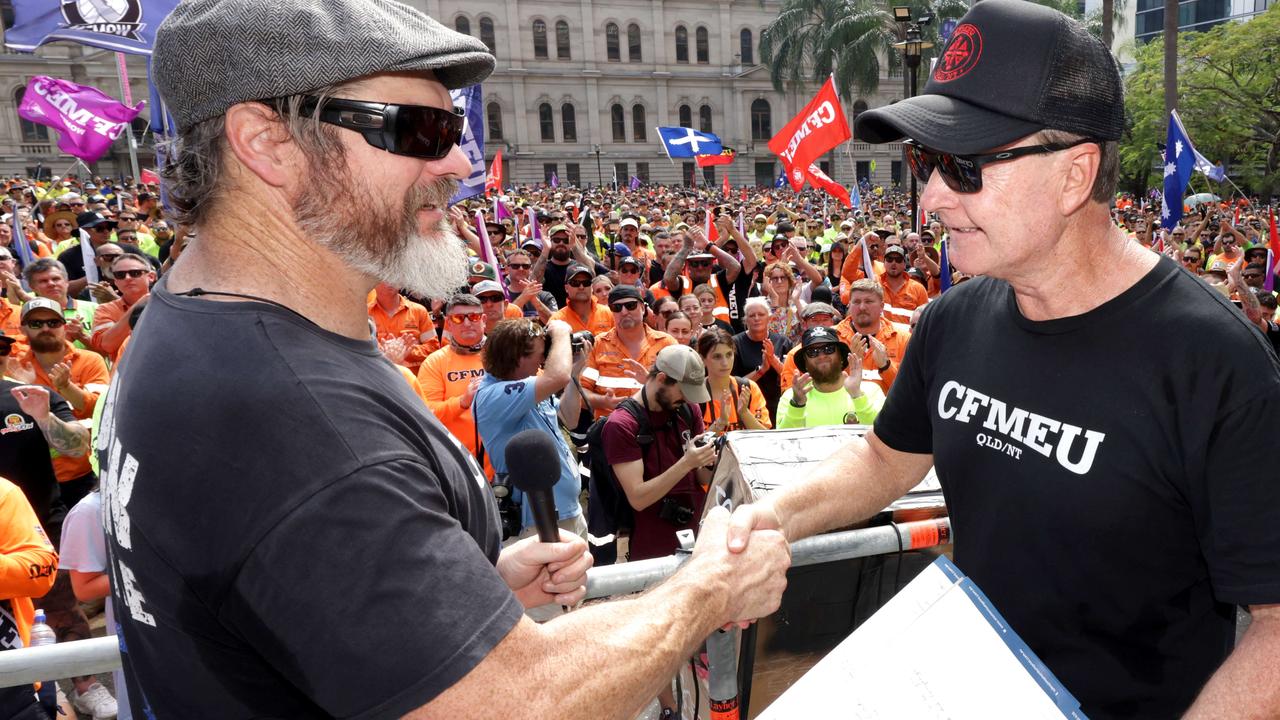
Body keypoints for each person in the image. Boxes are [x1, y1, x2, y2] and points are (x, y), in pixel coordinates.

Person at [104, 2, 789, 717]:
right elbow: (514, 707)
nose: (460, 162)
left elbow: (284, 579)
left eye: (455, 129)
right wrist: (708, 588)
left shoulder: (187, 316)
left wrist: (462, 594)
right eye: (421, 130)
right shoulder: (294, 421)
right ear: (268, 143)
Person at [726, 2, 1280, 717]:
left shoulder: (1216, 363)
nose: (928, 198)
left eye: (962, 167)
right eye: (925, 163)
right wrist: (769, 519)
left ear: (1076, 174)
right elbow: (885, 459)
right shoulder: (952, 320)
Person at [473, 319, 586, 538]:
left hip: (568, 511)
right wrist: (562, 331)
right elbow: (556, 376)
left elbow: (570, 419)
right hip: (538, 523)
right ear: (518, 358)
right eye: (541, 354)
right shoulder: (491, 395)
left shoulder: (529, 384)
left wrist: (574, 375)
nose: (544, 360)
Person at [12, 298, 109, 509]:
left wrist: (66, 386)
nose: (46, 328)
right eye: (36, 324)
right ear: (23, 329)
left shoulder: (91, 360)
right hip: (36, 478)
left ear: (64, 327)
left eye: (53, 323)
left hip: (86, 474)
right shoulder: (14, 366)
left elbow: (98, 409)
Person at [580, 285, 676, 418]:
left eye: (630, 305)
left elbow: (680, 390)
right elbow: (581, 392)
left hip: (656, 425)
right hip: (610, 427)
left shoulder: (666, 343)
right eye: (617, 308)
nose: (624, 312)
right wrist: (604, 401)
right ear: (611, 312)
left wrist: (650, 383)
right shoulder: (597, 345)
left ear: (642, 308)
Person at [777, 327, 884, 428]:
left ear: (841, 356)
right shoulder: (792, 397)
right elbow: (783, 442)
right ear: (805, 363)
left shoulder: (870, 391)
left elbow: (883, 434)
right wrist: (797, 405)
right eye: (813, 352)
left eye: (829, 349)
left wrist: (857, 396)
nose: (822, 356)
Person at [834, 278, 909, 394]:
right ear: (849, 304)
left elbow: (910, 391)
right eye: (856, 302)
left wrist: (886, 366)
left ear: (882, 306)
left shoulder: (904, 340)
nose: (862, 307)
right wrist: (850, 365)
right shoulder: (831, 337)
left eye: (868, 301)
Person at [696, 328, 770, 433]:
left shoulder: (748, 388)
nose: (725, 363)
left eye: (729, 354)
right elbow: (695, 445)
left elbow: (766, 436)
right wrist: (721, 422)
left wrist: (744, 413)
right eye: (717, 357)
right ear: (702, 359)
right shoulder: (695, 395)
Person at [731, 297, 793, 424]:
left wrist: (772, 360)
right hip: (747, 407)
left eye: (761, 314)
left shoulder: (783, 342)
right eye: (752, 315)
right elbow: (734, 384)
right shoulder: (735, 343)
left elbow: (790, 377)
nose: (757, 318)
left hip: (778, 404)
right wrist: (761, 369)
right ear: (746, 320)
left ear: (769, 318)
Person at [89, 253, 154, 362]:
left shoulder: (167, 304)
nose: (127, 278)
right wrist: (137, 307)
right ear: (116, 282)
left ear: (151, 276)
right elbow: (106, 346)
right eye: (120, 275)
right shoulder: (106, 310)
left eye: (135, 273)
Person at [368, 281, 440, 375]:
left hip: (414, 380)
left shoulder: (418, 311)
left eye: (393, 277)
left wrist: (406, 351)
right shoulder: (364, 314)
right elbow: (357, 350)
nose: (389, 281)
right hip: (378, 377)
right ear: (373, 281)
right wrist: (385, 352)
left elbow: (433, 348)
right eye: (383, 277)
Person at [547, 263, 614, 336]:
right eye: (575, 283)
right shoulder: (557, 320)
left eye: (586, 283)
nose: (581, 287)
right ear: (566, 288)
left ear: (591, 287)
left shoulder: (609, 314)